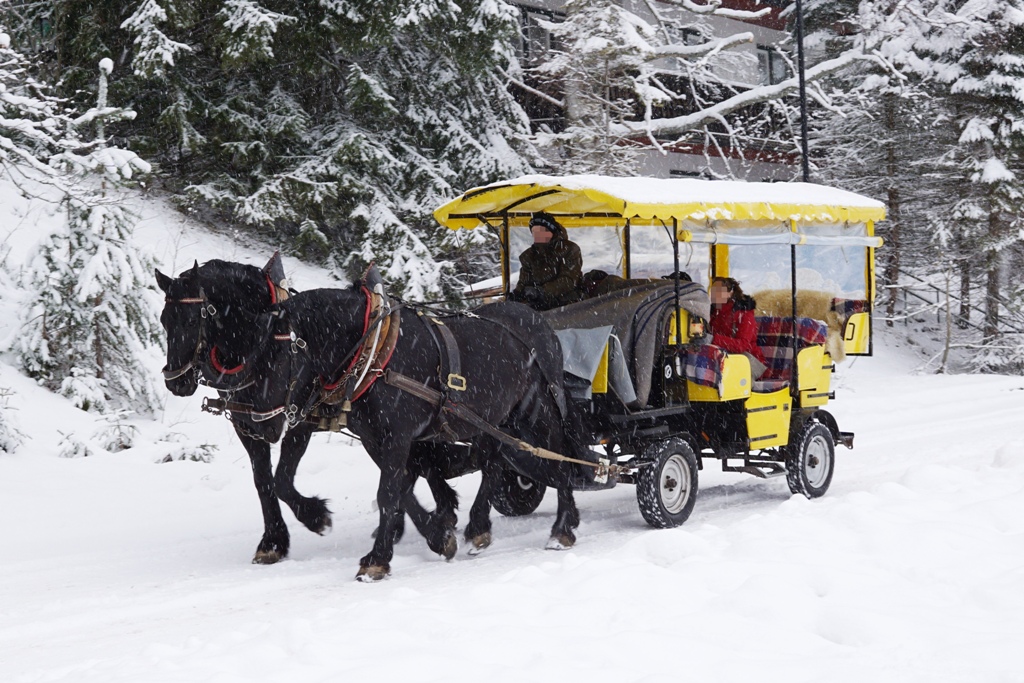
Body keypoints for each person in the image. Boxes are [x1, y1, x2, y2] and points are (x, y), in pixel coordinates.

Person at [508, 212, 583, 310]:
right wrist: (517, 293)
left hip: (567, 304)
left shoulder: (570, 249)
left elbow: (568, 281)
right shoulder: (528, 256)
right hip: (538, 304)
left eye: (541, 230)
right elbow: (524, 281)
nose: (536, 234)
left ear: (551, 231)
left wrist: (541, 291)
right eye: (534, 231)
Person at [709, 277, 767, 379]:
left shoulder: (744, 314)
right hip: (726, 360)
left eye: (719, 291)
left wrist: (714, 339)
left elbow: (742, 345)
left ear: (730, 293)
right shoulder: (714, 313)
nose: (714, 295)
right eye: (713, 291)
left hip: (747, 361)